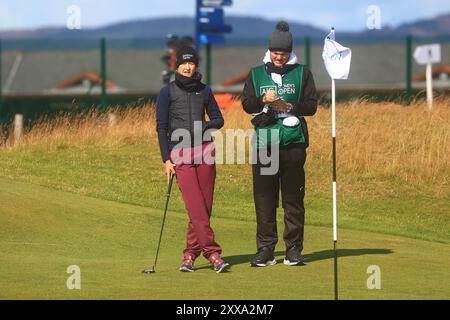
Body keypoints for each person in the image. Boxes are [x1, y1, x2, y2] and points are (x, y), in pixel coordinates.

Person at [241, 21, 318, 267]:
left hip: (293, 144)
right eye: (275, 53)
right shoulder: (255, 73)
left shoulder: (303, 72)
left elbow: (312, 106)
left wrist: (291, 107)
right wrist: (263, 99)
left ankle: (293, 250)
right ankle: (265, 249)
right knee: (265, 199)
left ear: (289, 52)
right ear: (270, 51)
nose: (279, 58)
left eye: (283, 54)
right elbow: (247, 105)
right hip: (265, 143)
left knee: (293, 199)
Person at [156, 46, 230, 273]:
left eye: (191, 63)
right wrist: (166, 160)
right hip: (180, 154)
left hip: (205, 151)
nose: (188, 67)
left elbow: (218, 119)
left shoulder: (204, 90)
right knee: (195, 206)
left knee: (203, 208)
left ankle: (189, 256)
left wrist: (205, 126)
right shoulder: (167, 92)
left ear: (196, 66)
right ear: (176, 66)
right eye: (183, 64)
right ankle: (213, 253)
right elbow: (161, 127)